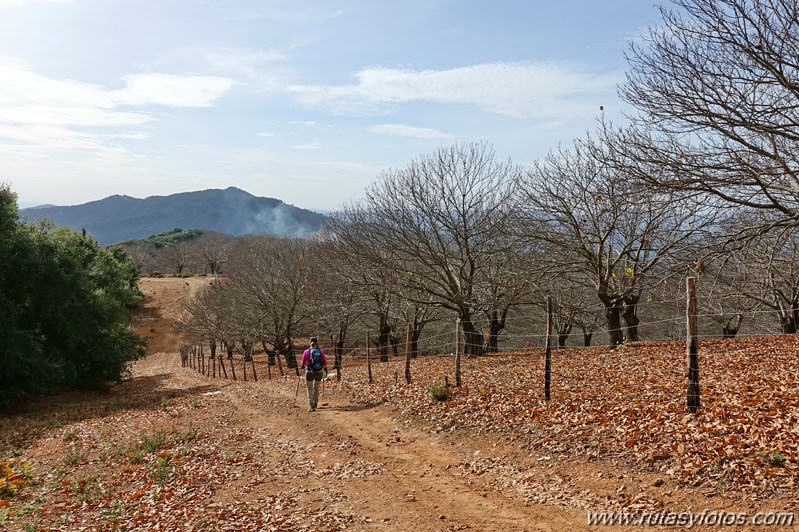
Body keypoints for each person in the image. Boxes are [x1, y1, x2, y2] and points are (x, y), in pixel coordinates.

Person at [300, 337, 327, 412]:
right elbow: (325, 362)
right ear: (317, 342)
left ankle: (311, 405)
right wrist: (323, 367)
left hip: (309, 371)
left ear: (310, 342)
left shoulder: (306, 352)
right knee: (316, 388)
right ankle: (316, 403)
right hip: (319, 372)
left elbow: (302, 362)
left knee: (309, 388)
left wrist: (302, 366)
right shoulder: (320, 351)